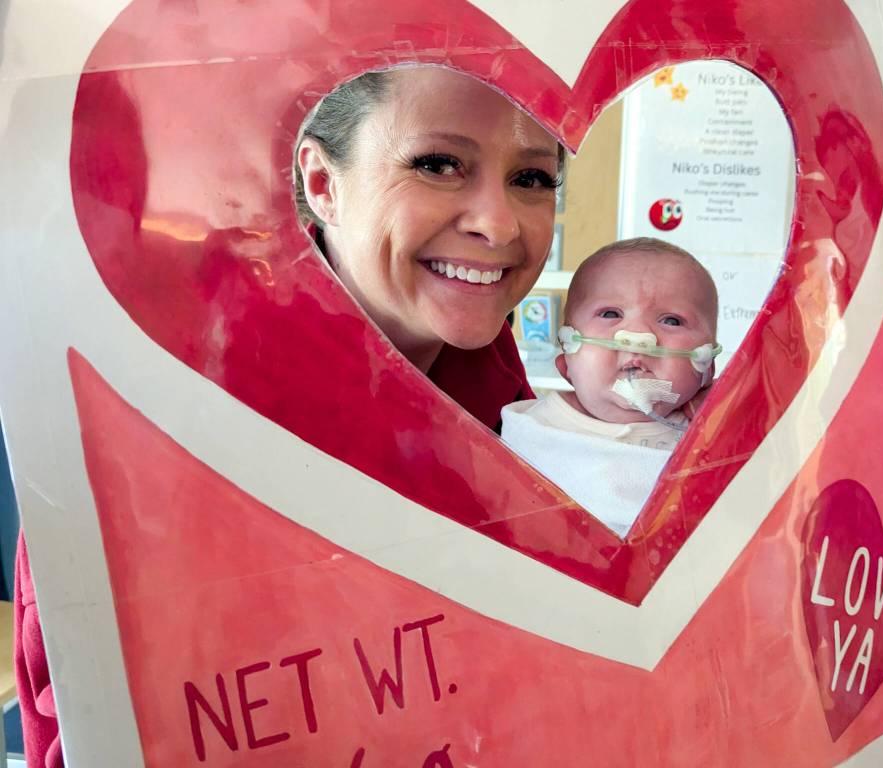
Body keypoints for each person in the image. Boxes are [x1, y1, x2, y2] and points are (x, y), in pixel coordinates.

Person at [15, 65, 564, 767]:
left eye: (533, 178)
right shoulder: (177, 400)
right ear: (324, 184)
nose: (499, 223)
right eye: (437, 165)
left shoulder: (496, 381)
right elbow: (103, 728)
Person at [501, 238, 720, 536]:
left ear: (706, 369)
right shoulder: (532, 431)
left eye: (671, 320)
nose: (638, 336)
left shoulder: (710, 438)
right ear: (567, 365)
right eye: (610, 314)